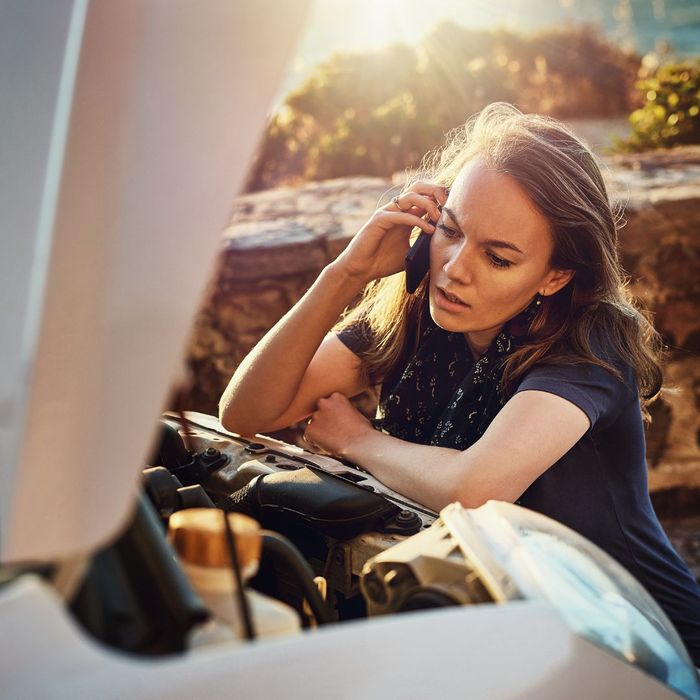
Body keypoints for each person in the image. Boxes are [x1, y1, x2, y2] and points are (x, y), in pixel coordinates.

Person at [219, 102, 700, 665]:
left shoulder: (588, 349)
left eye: (497, 258)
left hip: (638, 641)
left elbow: (474, 489)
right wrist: (344, 273)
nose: (455, 269)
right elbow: (245, 411)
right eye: (450, 231)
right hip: (507, 624)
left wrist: (356, 440)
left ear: (556, 275)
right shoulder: (420, 314)